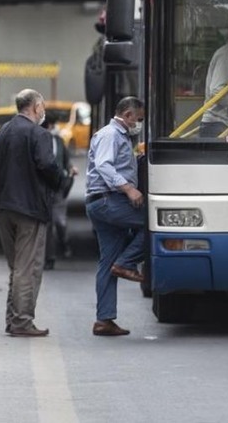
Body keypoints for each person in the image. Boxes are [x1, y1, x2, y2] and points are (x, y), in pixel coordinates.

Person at [0, 89, 69, 337]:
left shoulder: (0, 133)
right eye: (42, 107)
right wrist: (59, 182)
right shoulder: (38, 134)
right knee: (27, 268)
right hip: (30, 208)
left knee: (17, 267)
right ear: (35, 108)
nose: (43, 111)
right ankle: (22, 321)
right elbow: (47, 165)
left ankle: (13, 319)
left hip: (4, 208)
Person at [85, 96, 146, 337]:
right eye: (139, 119)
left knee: (107, 264)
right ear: (128, 115)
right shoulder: (110, 134)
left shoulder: (121, 137)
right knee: (154, 224)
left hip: (102, 202)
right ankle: (127, 262)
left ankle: (104, 320)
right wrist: (129, 188)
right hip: (108, 200)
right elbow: (104, 165)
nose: (139, 123)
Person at [42, 115, 77, 269]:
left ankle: (64, 241)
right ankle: (50, 257)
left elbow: (66, 160)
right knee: (47, 224)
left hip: (58, 187)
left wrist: (70, 168)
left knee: (60, 221)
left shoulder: (59, 142)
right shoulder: (37, 142)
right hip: (42, 189)